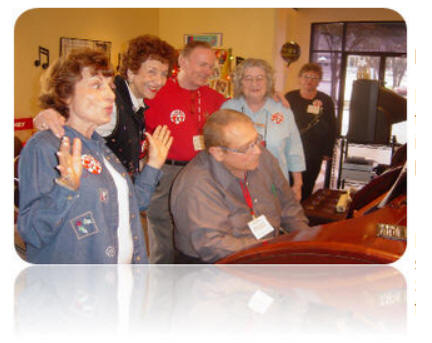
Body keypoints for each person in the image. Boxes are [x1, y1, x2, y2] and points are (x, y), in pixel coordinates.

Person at [17, 48, 173, 264]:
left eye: (110, 87)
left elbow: (131, 206)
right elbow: (33, 233)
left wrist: (154, 165)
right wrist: (65, 188)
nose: (111, 95)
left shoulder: (101, 149)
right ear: (65, 94)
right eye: (96, 85)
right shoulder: (46, 147)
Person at [171, 109, 310, 263]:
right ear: (218, 153)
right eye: (246, 148)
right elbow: (214, 246)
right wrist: (273, 247)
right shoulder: (196, 185)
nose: (257, 151)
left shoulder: (264, 158)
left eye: (256, 140)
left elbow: (289, 207)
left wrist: (308, 244)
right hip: (214, 266)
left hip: (265, 250)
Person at [33, 35, 177, 177]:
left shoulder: (136, 104)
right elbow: (67, 127)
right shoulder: (111, 106)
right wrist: (51, 114)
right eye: (152, 72)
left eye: (164, 74)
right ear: (131, 72)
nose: (159, 81)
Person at [144, 41, 226, 263]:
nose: (207, 72)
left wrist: (274, 98)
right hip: (167, 173)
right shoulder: (155, 93)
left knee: (195, 233)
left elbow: (245, 109)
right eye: (202, 65)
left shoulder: (215, 98)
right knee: (163, 236)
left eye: (211, 67)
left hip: (204, 174)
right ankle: (161, 291)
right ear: (182, 61)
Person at [221, 58, 305, 200]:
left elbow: (294, 149)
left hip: (275, 188)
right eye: (248, 78)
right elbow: (219, 149)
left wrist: (297, 185)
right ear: (240, 82)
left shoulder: (283, 111)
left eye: (260, 78)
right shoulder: (228, 109)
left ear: (268, 82)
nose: (254, 84)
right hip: (236, 188)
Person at [285, 63, 337, 202]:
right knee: (290, 182)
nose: (309, 80)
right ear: (300, 78)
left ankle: (303, 211)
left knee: (308, 182)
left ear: (319, 81)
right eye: (306, 76)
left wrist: (328, 151)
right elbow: (281, 121)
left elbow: (332, 126)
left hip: (314, 150)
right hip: (291, 148)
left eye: (314, 77)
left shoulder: (325, 100)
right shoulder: (290, 97)